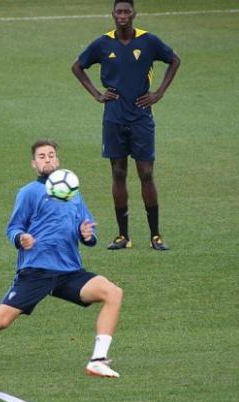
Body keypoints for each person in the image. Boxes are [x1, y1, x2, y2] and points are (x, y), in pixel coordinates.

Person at [0, 140, 124, 378]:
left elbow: (87, 229)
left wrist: (87, 235)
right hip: (36, 271)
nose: (48, 159)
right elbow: (13, 228)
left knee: (113, 293)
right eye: (42, 156)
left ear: (58, 160)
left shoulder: (73, 192)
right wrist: (21, 238)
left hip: (68, 272)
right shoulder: (29, 192)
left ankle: (98, 360)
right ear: (34, 163)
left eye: (51, 155)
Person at [72, 0, 180, 251]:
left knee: (146, 174)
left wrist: (159, 92)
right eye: (118, 12)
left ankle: (156, 236)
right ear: (112, 14)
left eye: (126, 12)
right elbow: (77, 67)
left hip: (142, 117)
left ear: (134, 14)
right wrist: (97, 95)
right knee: (118, 173)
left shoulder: (149, 41)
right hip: (114, 117)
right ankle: (123, 236)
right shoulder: (102, 43)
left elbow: (174, 60)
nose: (122, 16)